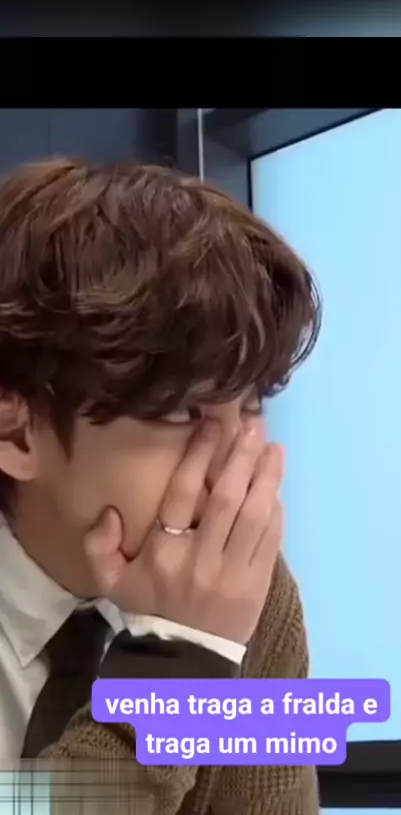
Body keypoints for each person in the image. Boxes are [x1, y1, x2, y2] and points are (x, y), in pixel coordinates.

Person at [0, 158, 321, 813]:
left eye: (251, 404)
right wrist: (175, 675)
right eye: (180, 412)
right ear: (17, 433)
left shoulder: (243, 597)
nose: (233, 469)